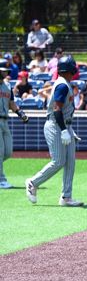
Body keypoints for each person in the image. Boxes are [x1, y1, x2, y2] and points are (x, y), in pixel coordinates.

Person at [26, 56, 83, 206]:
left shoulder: (65, 83)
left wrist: (69, 129)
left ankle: (66, 197)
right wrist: (64, 130)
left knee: (70, 162)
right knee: (58, 161)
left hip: (65, 125)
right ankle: (33, 182)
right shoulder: (62, 85)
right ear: (69, 70)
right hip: (56, 125)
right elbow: (57, 110)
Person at [0, 59, 29, 189]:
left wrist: (20, 113)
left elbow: (11, 103)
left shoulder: (7, 86)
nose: (6, 73)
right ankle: (1, 180)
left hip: (5, 121)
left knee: (8, 152)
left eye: (6, 71)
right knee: (0, 151)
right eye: (3, 71)